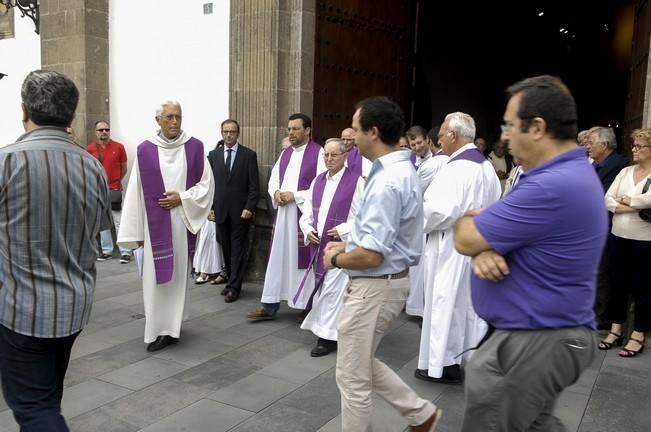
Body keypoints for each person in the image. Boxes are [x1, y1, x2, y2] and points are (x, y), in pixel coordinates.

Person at [453, 75, 607, 431]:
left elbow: (466, 237)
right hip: (539, 336)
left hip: (535, 339)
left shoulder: (552, 185)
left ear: (537, 127)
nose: (504, 135)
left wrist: (476, 237)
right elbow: (479, 240)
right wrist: (482, 247)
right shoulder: (563, 175)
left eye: (509, 124)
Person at [0, 70, 112, 431]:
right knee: (47, 397)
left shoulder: (7, 161)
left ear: (24, 110)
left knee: (35, 409)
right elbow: (99, 230)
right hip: (73, 306)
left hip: (22, 310)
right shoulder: (91, 165)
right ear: (72, 114)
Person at [322, 96, 442, 432]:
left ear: (373, 132)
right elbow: (386, 235)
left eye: (356, 130)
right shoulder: (398, 170)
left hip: (375, 285)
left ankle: (419, 414)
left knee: (351, 377)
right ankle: (420, 413)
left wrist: (336, 258)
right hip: (385, 281)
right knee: (358, 363)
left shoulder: (388, 180)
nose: (351, 138)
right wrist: (349, 242)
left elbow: (373, 255)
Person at [118, 101, 214, 352]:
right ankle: (155, 328)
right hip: (153, 229)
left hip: (181, 224)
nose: (175, 122)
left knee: (176, 278)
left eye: (178, 117)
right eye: (169, 117)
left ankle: (171, 329)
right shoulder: (145, 150)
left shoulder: (195, 148)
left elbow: (206, 186)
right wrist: (136, 231)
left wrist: (180, 197)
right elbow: (136, 193)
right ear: (158, 120)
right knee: (154, 279)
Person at [415, 112, 501, 384]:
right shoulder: (484, 165)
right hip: (474, 245)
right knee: (465, 305)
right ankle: (468, 358)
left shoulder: (456, 168)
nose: (438, 141)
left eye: (440, 135)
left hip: (450, 246)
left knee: (445, 303)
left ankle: (443, 365)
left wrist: (419, 215)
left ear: (453, 135)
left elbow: (440, 211)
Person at [247, 114, 325, 320]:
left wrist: (295, 195)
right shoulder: (286, 154)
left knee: (300, 262)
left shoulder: (318, 153)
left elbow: (322, 186)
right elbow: (274, 179)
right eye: (289, 129)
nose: (291, 133)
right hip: (283, 217)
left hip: (302, 217)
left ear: (307, 130)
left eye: (296, 129)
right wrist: (275, 193)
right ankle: (269, 305)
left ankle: (306, 305)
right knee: (278, 259)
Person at [299, 138, 363, 357]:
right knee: (324, 290)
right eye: (325, 155)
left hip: (340, 247)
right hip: (319, 246)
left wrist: (345, 231)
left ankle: (326, 338)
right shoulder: (318, 181)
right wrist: (307, 229)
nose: (328, 159)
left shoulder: (357, 182)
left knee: (333, 292)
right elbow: (307, 211)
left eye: (333, 155)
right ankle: (329, 331)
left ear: (345, 156)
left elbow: (365, 217)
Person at [600, 128, 651, 357]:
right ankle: (616, 329)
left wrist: (631, 200)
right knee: (616, 285)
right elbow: (607, 199)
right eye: (634, 145)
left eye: (639, 146)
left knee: (643, 287)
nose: (634, 149)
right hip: (618, 236)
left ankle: (638, 334)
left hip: (644, 240)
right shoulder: (625, 172)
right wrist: (632, 205)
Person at [207, 119, 260, 303]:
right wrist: (210, 208)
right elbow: (209, 186)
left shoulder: (248, 155)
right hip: (220, 211)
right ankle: (230, 281)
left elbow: (254, 186)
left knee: (237, 250)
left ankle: (235, 287)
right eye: (225, 131)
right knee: (226, 249)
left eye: (232, 131)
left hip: (240, 212)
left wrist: (249, 207)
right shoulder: (213, 156)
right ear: (221, 133)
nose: (229, 135)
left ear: (238, 133)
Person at [87, 120, 133, 263]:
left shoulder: (119, 147)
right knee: (103, 223)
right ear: (96, 132)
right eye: (101, 130)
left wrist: (116, 181)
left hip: (115, 190)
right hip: (98, 191)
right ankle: (107, 251)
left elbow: (123, 168)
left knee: (119, 221)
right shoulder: (89, 149)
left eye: (106, 129)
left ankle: (125, 251)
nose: (104, 132)